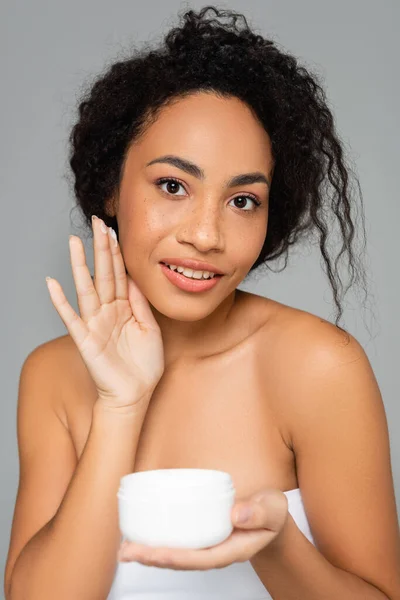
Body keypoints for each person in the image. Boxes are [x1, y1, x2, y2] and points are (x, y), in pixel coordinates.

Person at [4, 5, 400, 600]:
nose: (208, 235)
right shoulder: (52, 377)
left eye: (243, 201)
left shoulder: (319, 367)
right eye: (173, 186)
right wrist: (120, 405)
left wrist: (278, 545)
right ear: (111, 186)